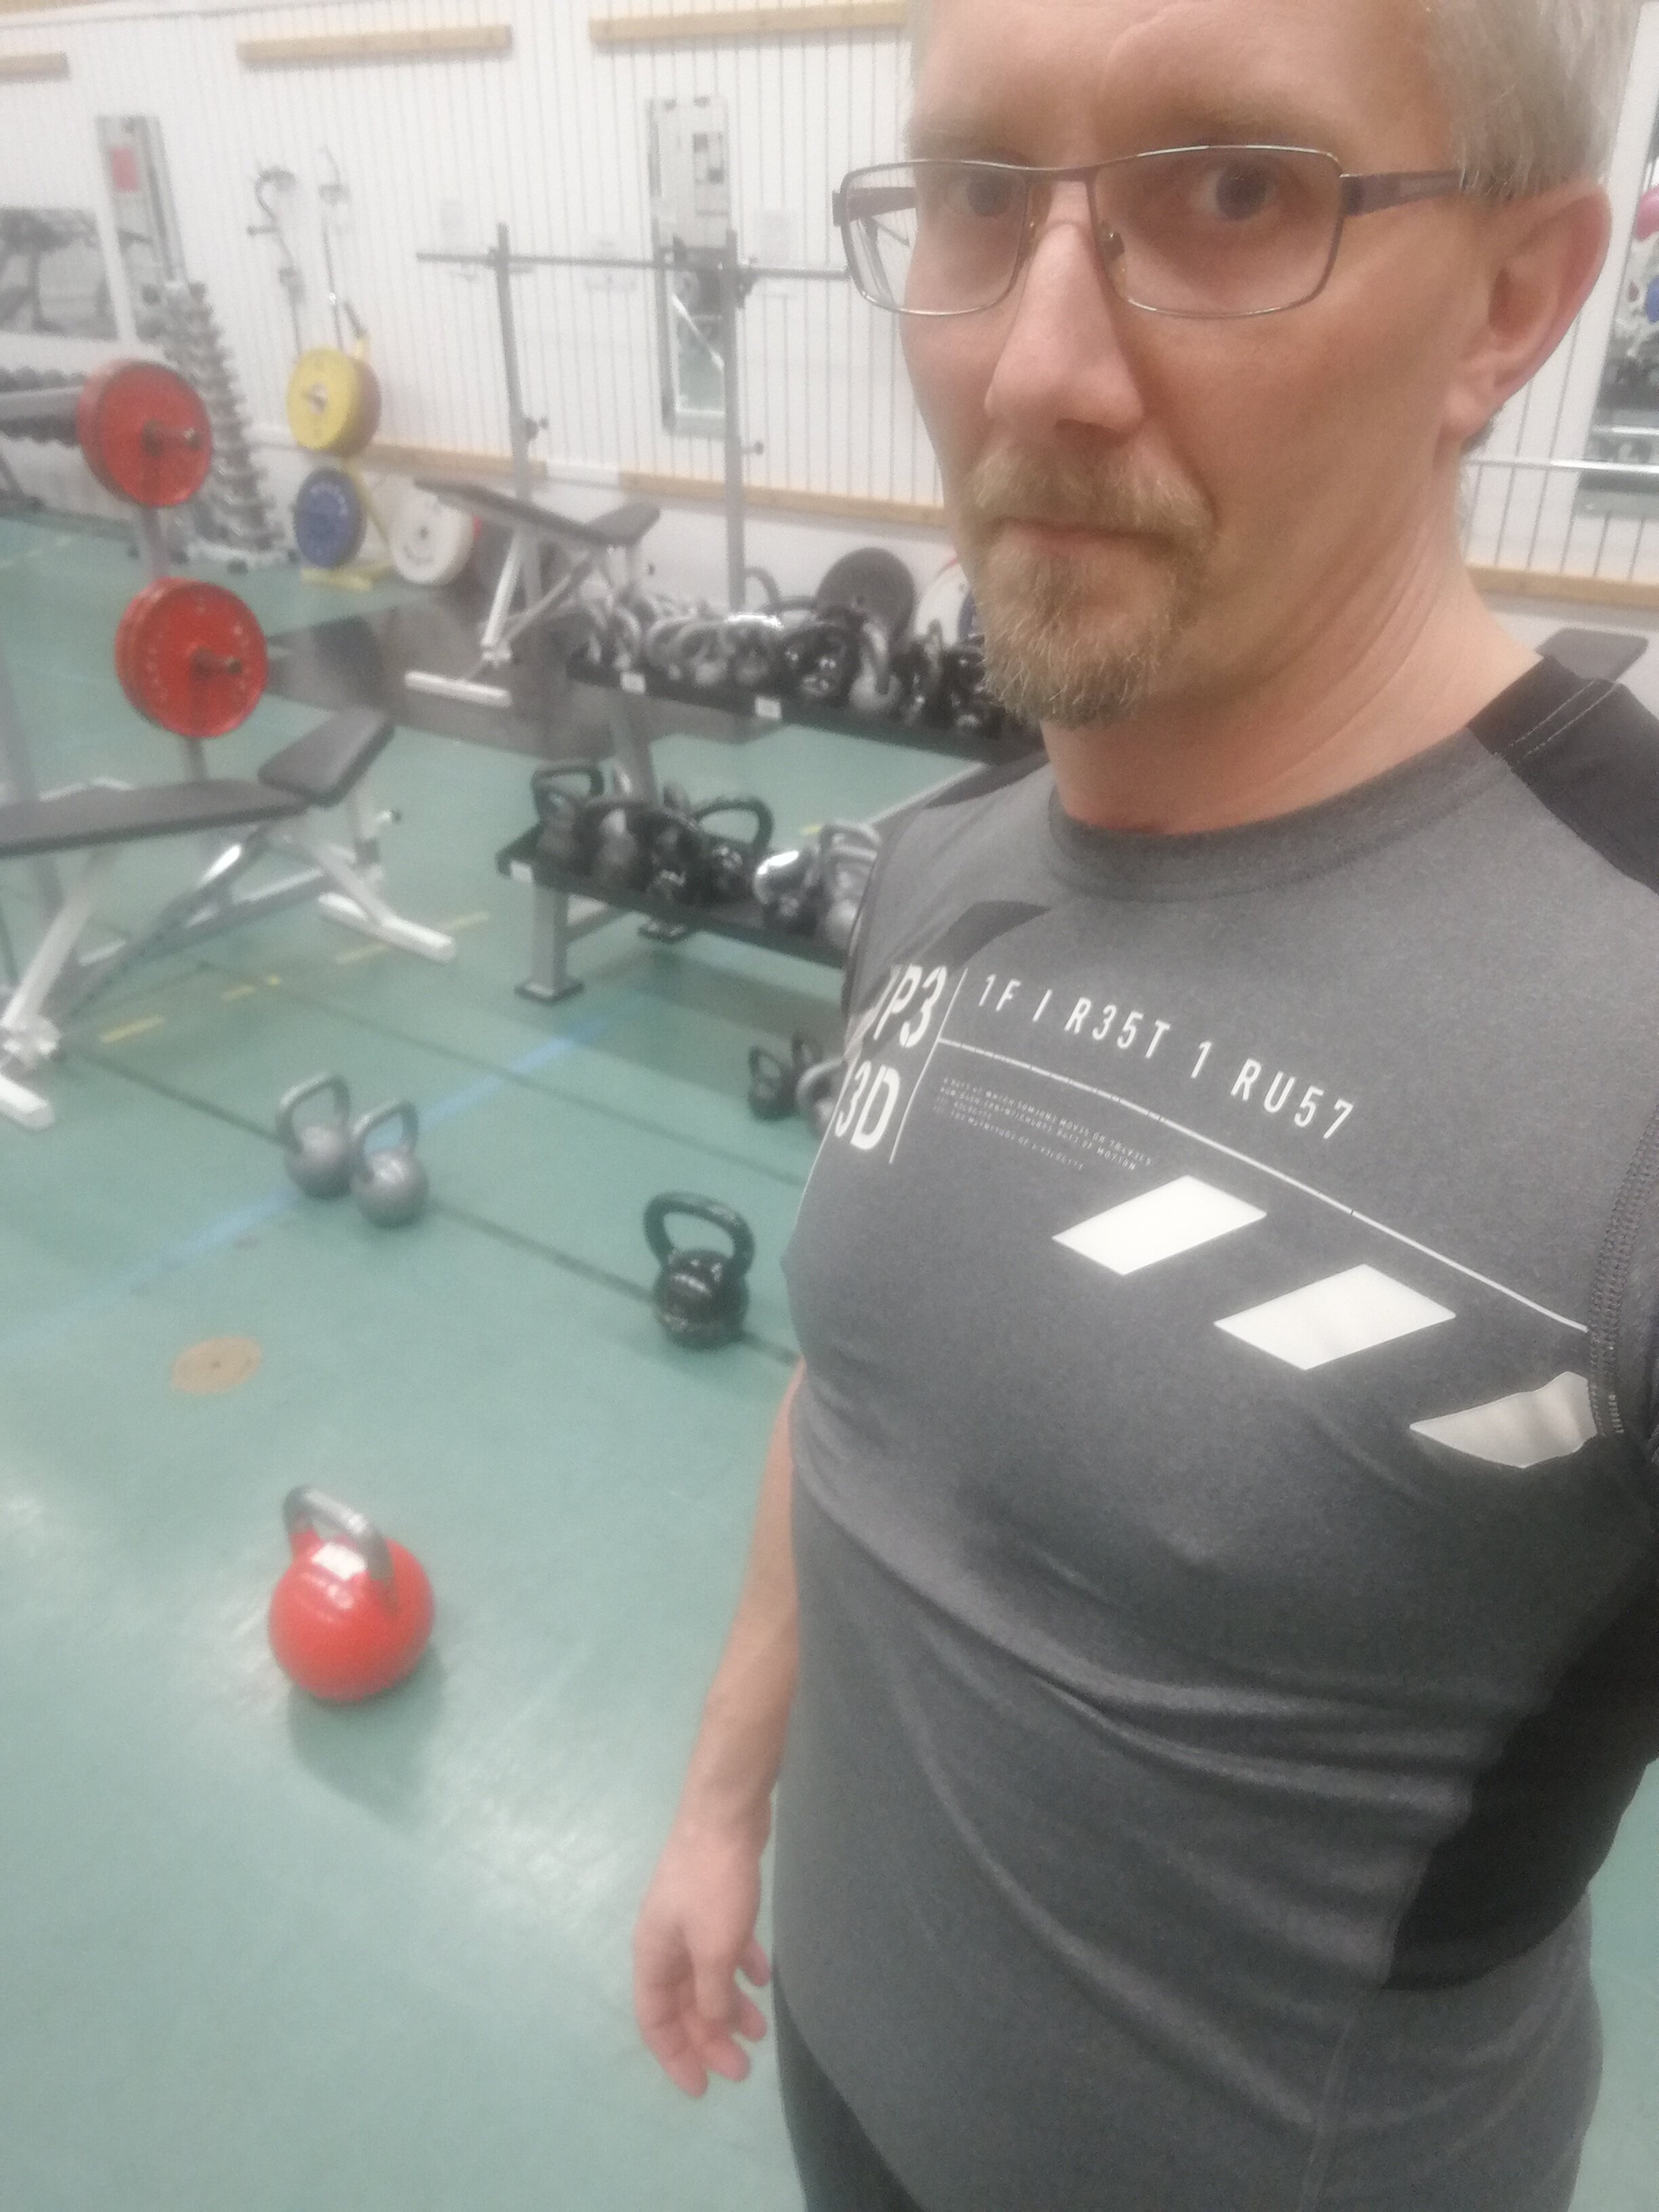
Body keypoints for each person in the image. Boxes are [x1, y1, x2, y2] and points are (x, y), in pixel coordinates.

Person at [633, 1, 1659, 2205]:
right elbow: (862, 1392)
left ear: (1511, 303)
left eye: (1235, 194)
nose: (1035, 374)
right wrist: (725, 1805)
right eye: (975, 196)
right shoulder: (943, 869)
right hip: (847, 2098)